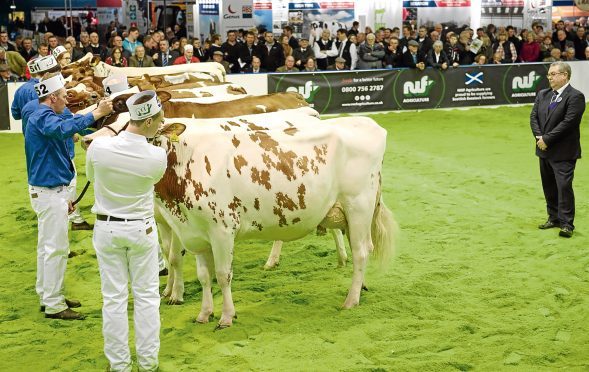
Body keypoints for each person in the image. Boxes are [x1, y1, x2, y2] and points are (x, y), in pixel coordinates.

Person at [86, 90, 166, 371]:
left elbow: (91, 178)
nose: (161, 124)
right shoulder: (157, 156)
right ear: (146, 123)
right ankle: (148, 362)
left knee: (114, 298)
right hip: (140, 230)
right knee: (146, 297)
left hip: (106, 228)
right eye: (158, 120)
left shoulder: (98, 148)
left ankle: (119, 365)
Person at [25, 72, 113, 320]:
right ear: (52, 97)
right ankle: (54, 304)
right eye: (64, 96)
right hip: (50, 191)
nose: (66, 99)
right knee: (56, 248)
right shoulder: (44, 118)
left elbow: (66, 124)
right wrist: (96, 114)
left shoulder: (41, 114)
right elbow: (63, 127)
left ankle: (48, 295)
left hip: (48, 191)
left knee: (47, 247)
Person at [530, 62, 586, 238]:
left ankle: (567, 224)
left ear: (565, 75)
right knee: (549, 186)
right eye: (549, 74)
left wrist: (547, 139)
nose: (549, 77)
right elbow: (533, 117)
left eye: (553, 74)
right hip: (543, 149)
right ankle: (553, 218)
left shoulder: (575, 96)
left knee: (564, 187)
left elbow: (568, 123)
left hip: (563, 152)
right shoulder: (543, 94)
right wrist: (540, 137)